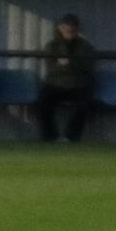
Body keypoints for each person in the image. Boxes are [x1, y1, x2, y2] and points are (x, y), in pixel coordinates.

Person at [38, 14, 96, 142]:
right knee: (43, 103)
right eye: (66, 27)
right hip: (56, 84)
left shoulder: (85, 46)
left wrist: (69, 63)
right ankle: (51, 137)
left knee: (83, 105)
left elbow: (88, 67)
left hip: (78, 84)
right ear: (60, 28)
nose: (69, 30)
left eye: (72, 27)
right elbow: (51, 67)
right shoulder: (52, 45)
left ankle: (71, 138)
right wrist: (71, 64)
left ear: (77, 29)